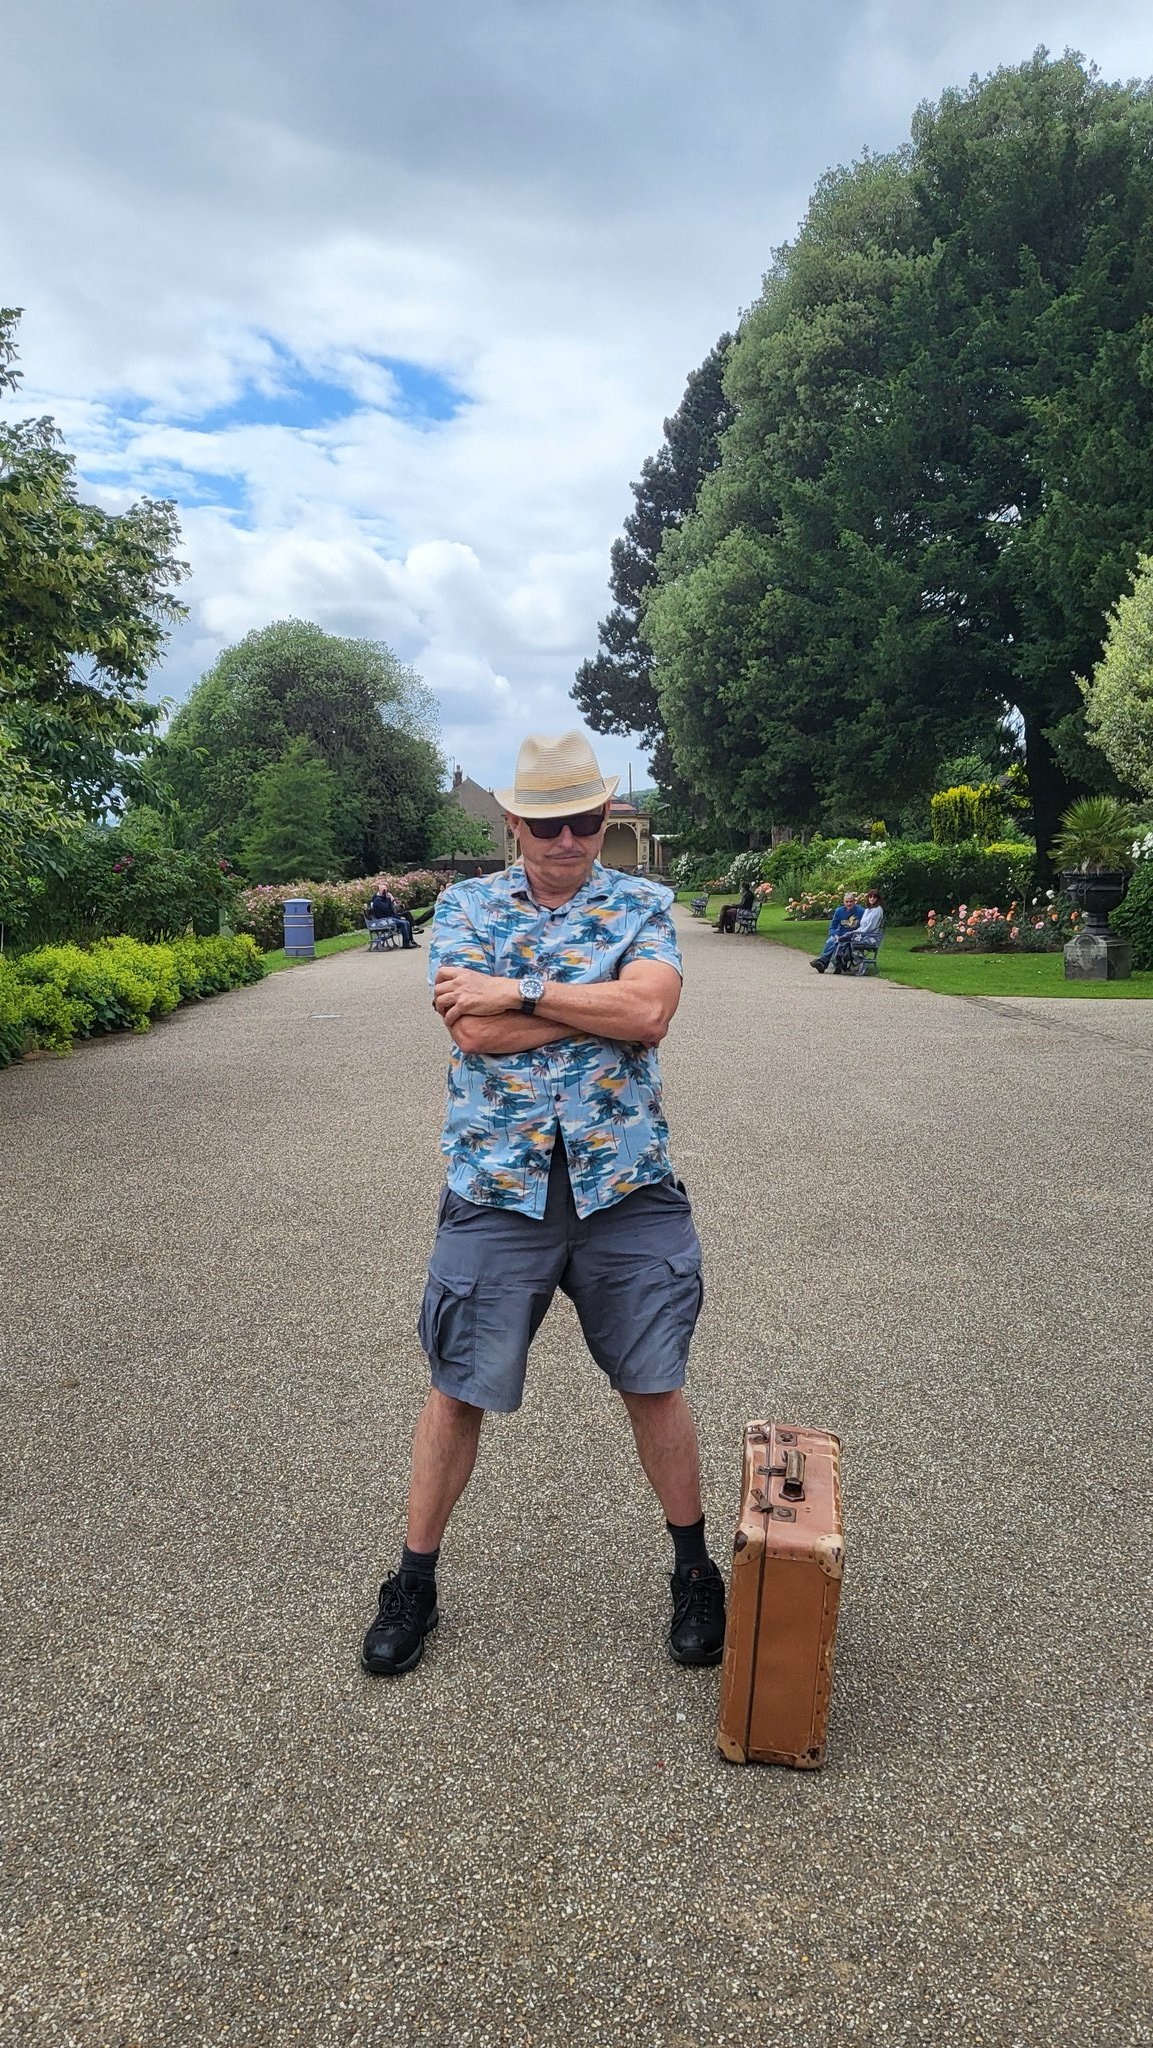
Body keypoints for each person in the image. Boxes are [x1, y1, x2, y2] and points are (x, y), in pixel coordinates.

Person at [361, 730, 726, 1678]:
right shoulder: (467, 904)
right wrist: (586, 1001)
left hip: (626, 1188)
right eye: (547, 823)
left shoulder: (643, 901)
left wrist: (520, 989)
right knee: (456, 1390)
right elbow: (470, 1031)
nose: (567, 839)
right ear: (515, 823)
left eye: (585, 820)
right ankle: (415, 1580)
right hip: (496, 1185)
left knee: (653, 1381)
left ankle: (693, 1571)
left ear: (605, 818)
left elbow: (647, 1015)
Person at [810, 891, 862, 972]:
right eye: (847, 902)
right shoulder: (839, 911)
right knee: (832, 940)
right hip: (840, 934)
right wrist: (835, 935)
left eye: (851, 901)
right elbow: (832, 927)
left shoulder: (861, 911)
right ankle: (822, 963)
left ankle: (823, 962)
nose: (849, 904)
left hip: (853, 935)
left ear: (855, 901)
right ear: (843, 902)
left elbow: (864, 926)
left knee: (837, 941)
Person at [366, 883, 418, 950]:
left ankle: (409, 942)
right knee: (403, 923)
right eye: (384, 891)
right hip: (383, 920)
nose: (386, 892)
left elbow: (390, 910)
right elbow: (386, 910)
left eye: (386, 890)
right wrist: (389, 900)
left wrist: (392, 901)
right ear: (379, 891)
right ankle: (406, 944)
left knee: (407, 922)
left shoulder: (383, 898)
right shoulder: (377, 900)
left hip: (389, 918)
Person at [851, 889, 884, 970]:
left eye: (874, 897)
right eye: (870, 897)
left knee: (848, 939)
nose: (872, 899)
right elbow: (863, 925)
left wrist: (858, 933)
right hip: (863, 933)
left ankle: (858, 960)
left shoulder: (878, 910)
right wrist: (855, 931)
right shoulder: (867, 910)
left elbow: (871, 927)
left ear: (877, 899)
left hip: (871, 937)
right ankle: (842, 962)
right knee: (842, 938)